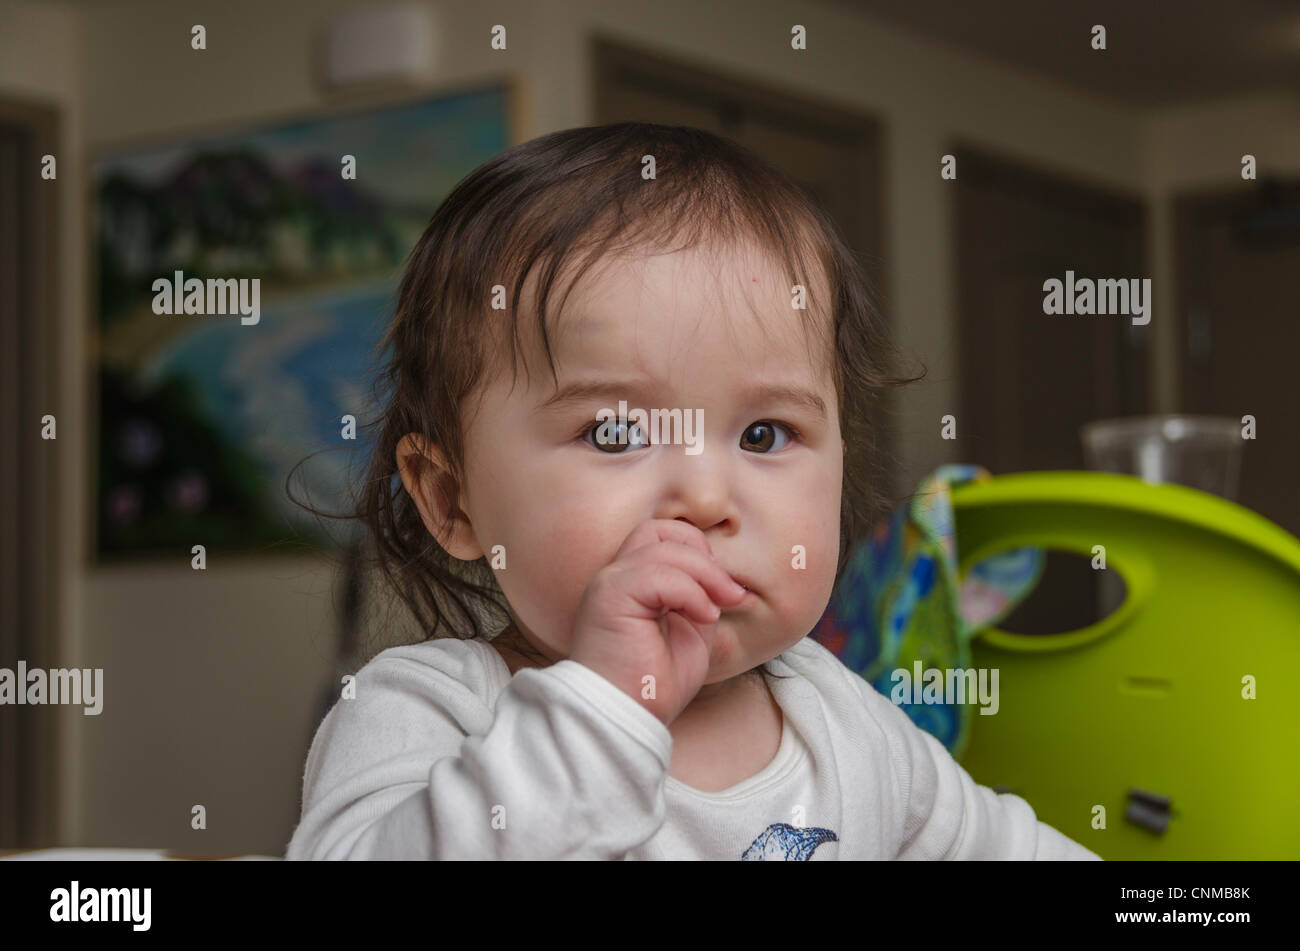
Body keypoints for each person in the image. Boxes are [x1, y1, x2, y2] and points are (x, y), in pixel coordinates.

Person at [285, 122, 1101, 860]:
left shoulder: (846, 723)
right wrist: (602, 707)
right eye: (614, 433)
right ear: (451, 500)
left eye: (764, 435)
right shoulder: (431, 712)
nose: (707, 497)